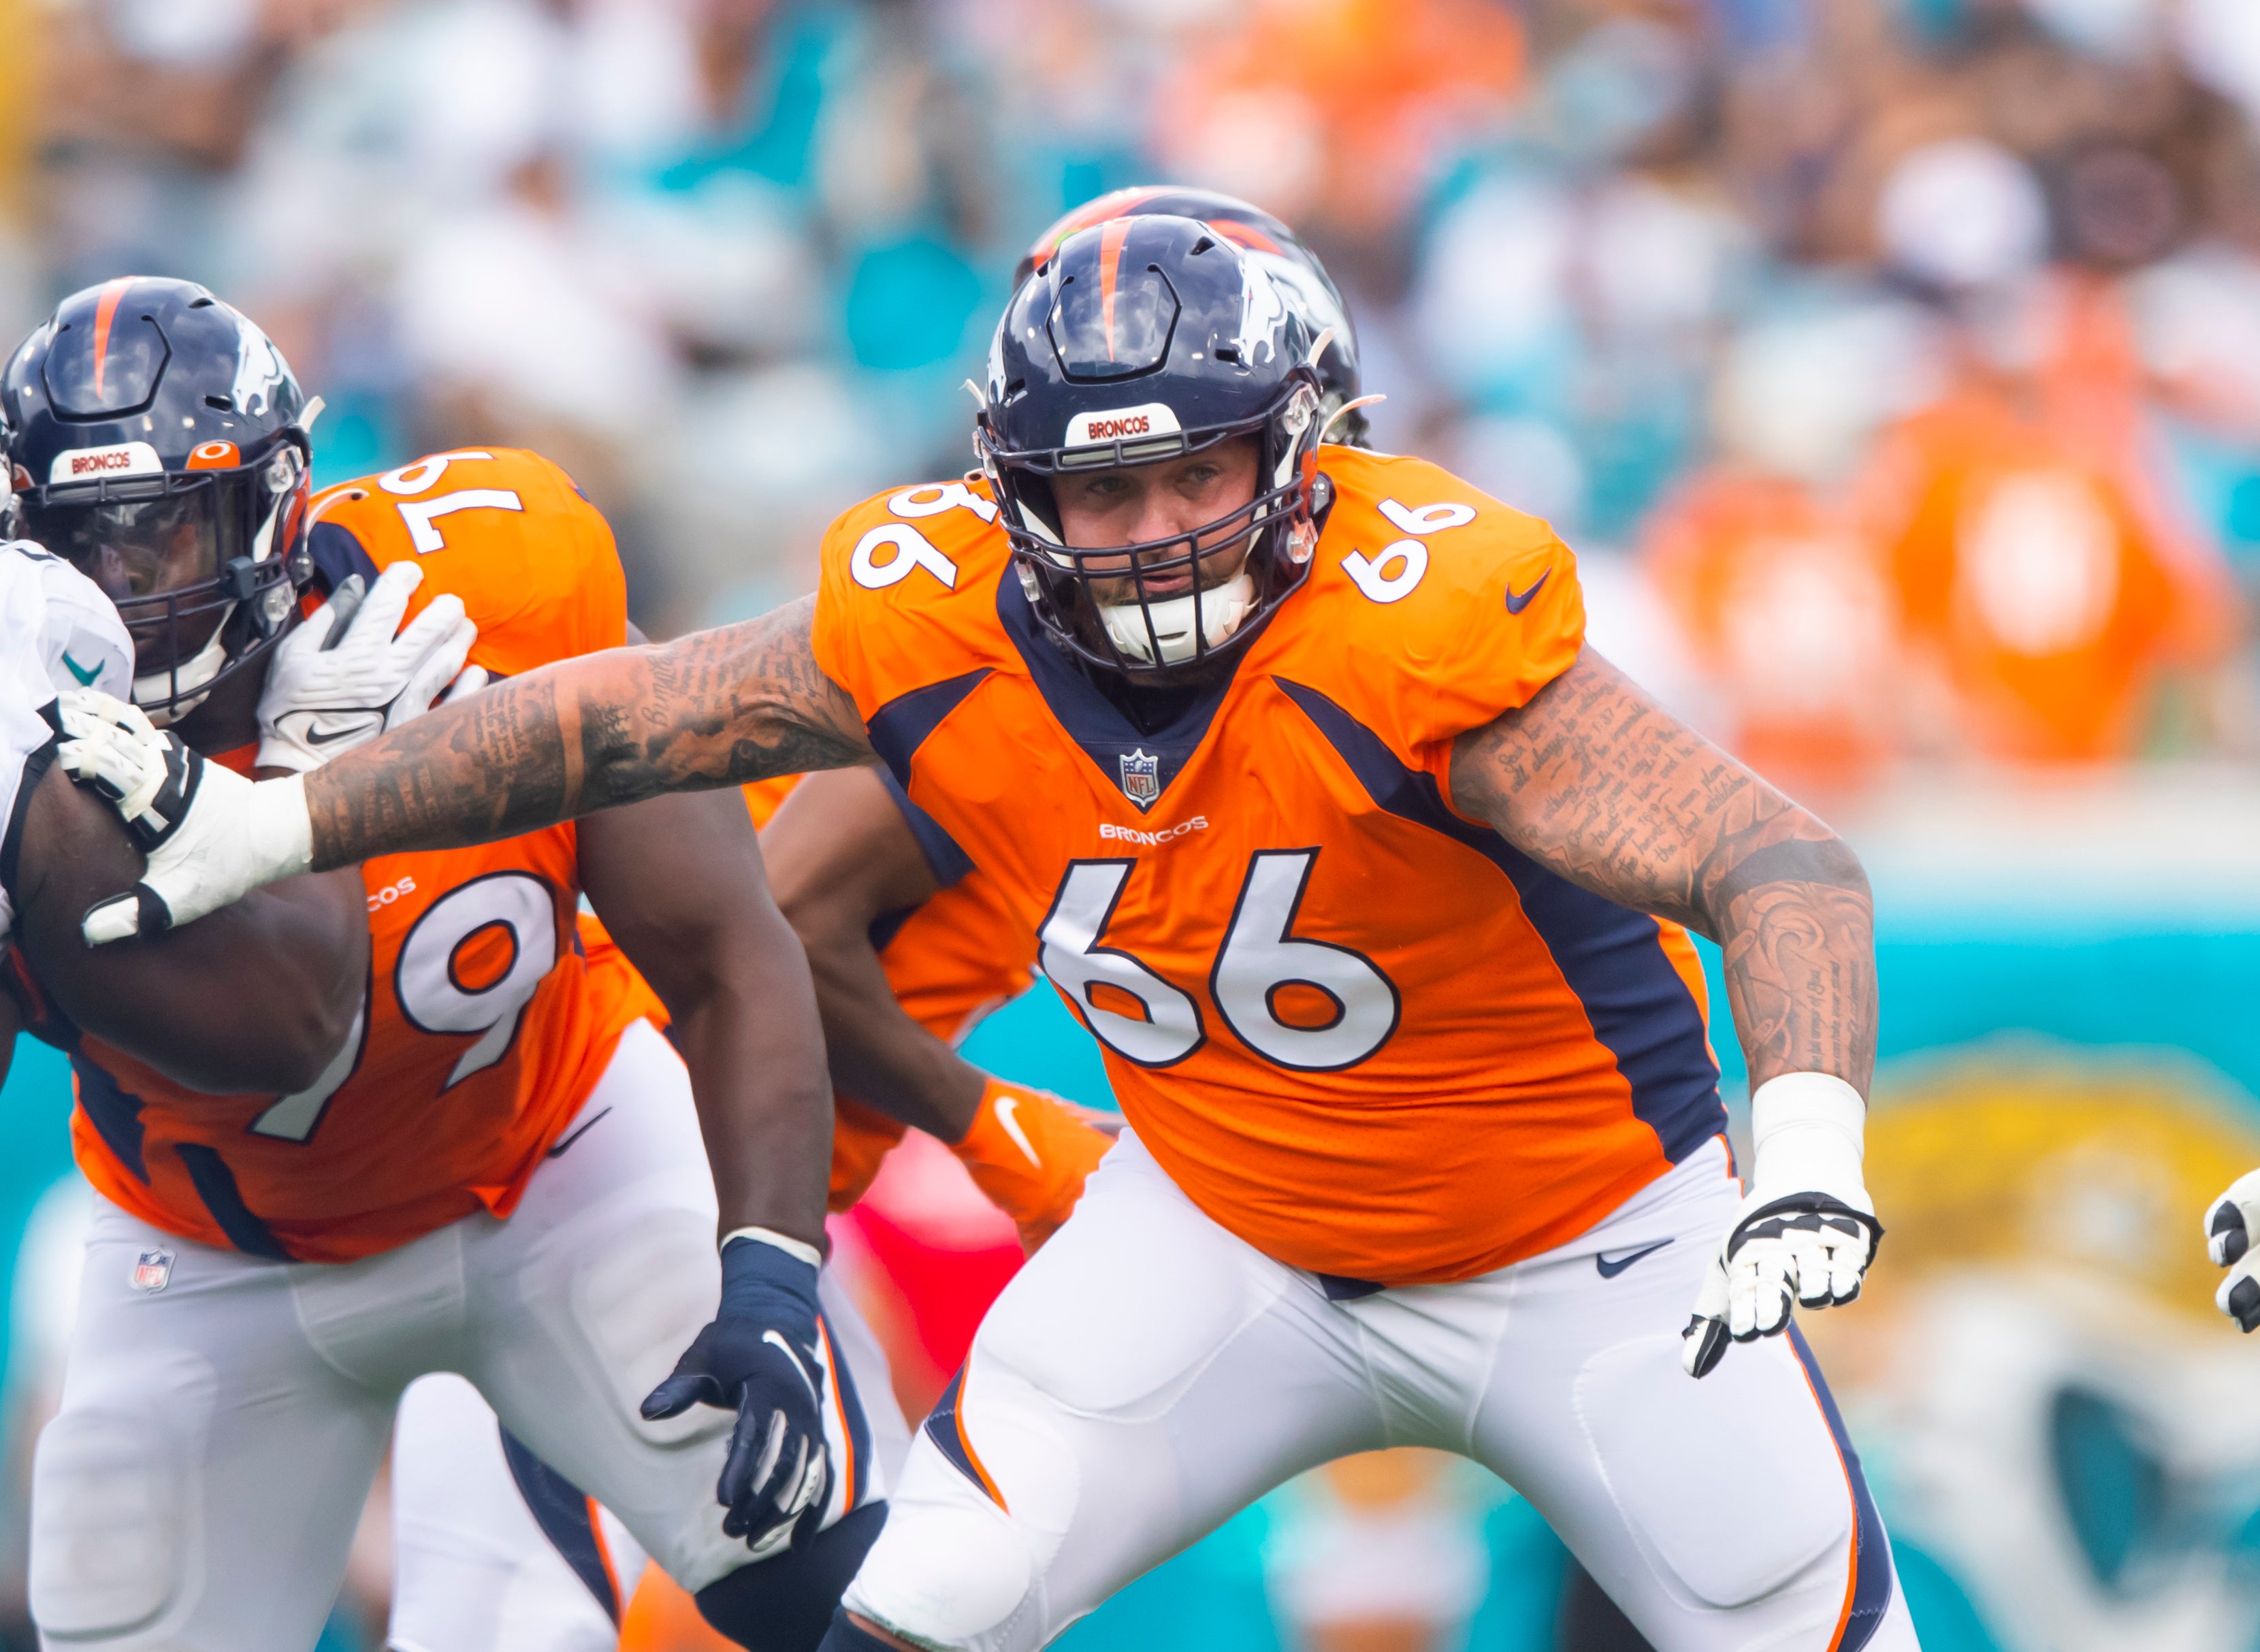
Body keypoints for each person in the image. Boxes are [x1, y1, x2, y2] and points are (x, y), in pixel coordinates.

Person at [63, 220, 1914, 1649]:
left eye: (1200, 474)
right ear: (1017, 491)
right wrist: (284, 820)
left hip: (1586, 1245)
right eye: (1103, 489)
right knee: (908, 1605)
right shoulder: (949, 623)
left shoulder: (1426, 623)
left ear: (1305, 456)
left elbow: (1780, 862)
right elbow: (610, 722)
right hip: (1226, 1236)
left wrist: (1810, 1138)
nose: (1156, 535)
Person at [1, 276, 883, 1652]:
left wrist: (769, 1265)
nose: (140, 591)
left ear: (280, 502)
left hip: (561, 1153)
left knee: (854, 1578)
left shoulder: (490, 580)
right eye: (90, 544)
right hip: (207, 1252)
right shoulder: (26, 747)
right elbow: (299, 1013)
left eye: (174, 528)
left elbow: (722, 946)